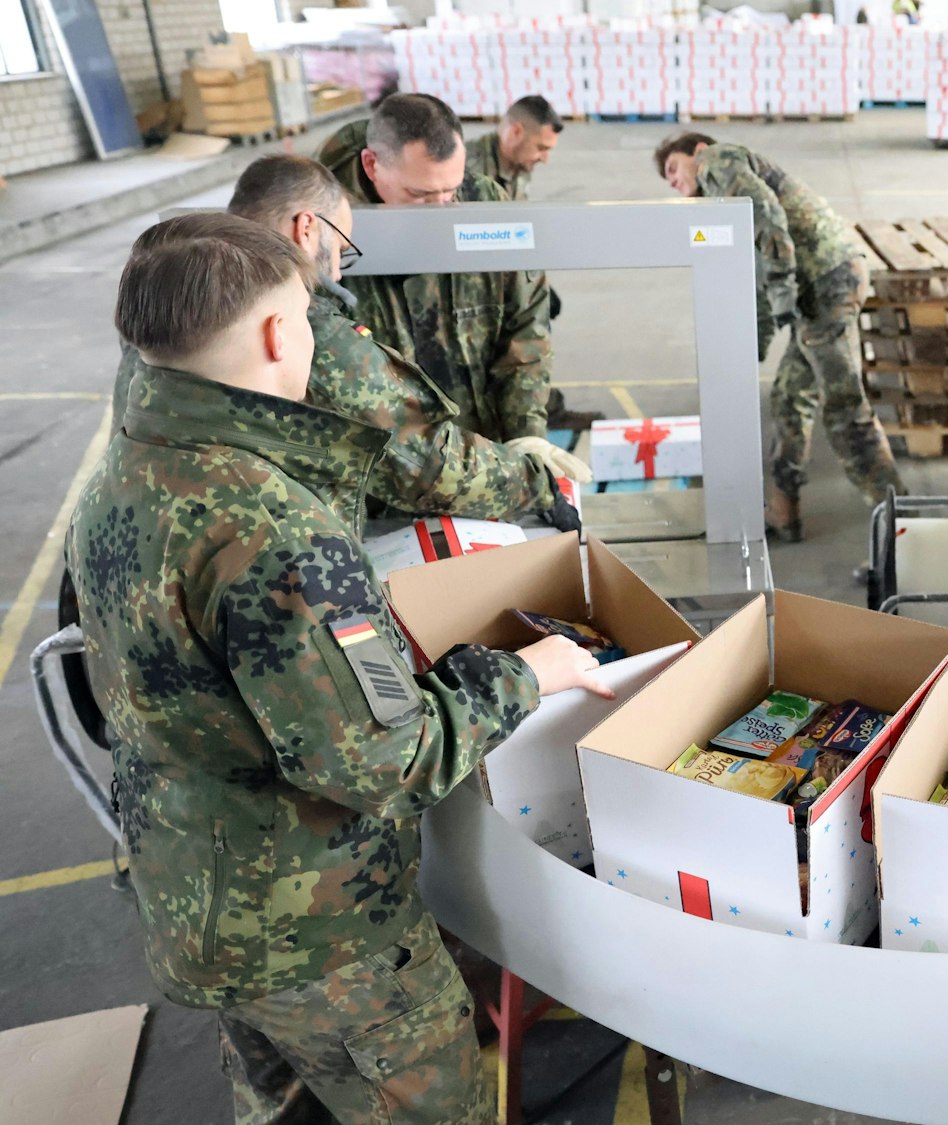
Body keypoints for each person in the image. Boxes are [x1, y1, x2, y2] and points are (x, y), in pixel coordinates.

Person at [67, 212, 613, 1121]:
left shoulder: (129, 465)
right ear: (280, 335)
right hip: (320, 936)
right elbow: (386, 761)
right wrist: (522, 674)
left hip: (195, 894)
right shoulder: (271, 525)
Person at [108, 155, 588, 531]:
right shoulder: (299, 326)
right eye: (340, 248)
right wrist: (537, 482)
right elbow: (427, 464)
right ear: (306, 227)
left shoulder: (175, 290)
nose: (337, 271)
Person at [655, 131, 903, 541]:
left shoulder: (717, 158)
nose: (673, 181)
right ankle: (784, 513)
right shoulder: (725, 206)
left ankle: (903, 526)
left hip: (827, 281)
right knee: (789, 397)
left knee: (844, 409)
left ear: (697, 151)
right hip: (818, 291)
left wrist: (783, 285)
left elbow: (767, 212)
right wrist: (755, 342)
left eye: (673, 168)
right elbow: (755, 276)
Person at [319, 94, 561, 453]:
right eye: (421, 194)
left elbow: (525, 322)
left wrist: (525, 433)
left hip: (483, 458)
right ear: (371, 165)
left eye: (451, 191)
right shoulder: (320, 233)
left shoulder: (484, 202)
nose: (441, 210)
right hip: (379, 463)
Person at [462, 94, 563, 202]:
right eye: (541, 148)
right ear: (516, 132)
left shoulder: (520, 162)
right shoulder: (466, 167)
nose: (545, 159)